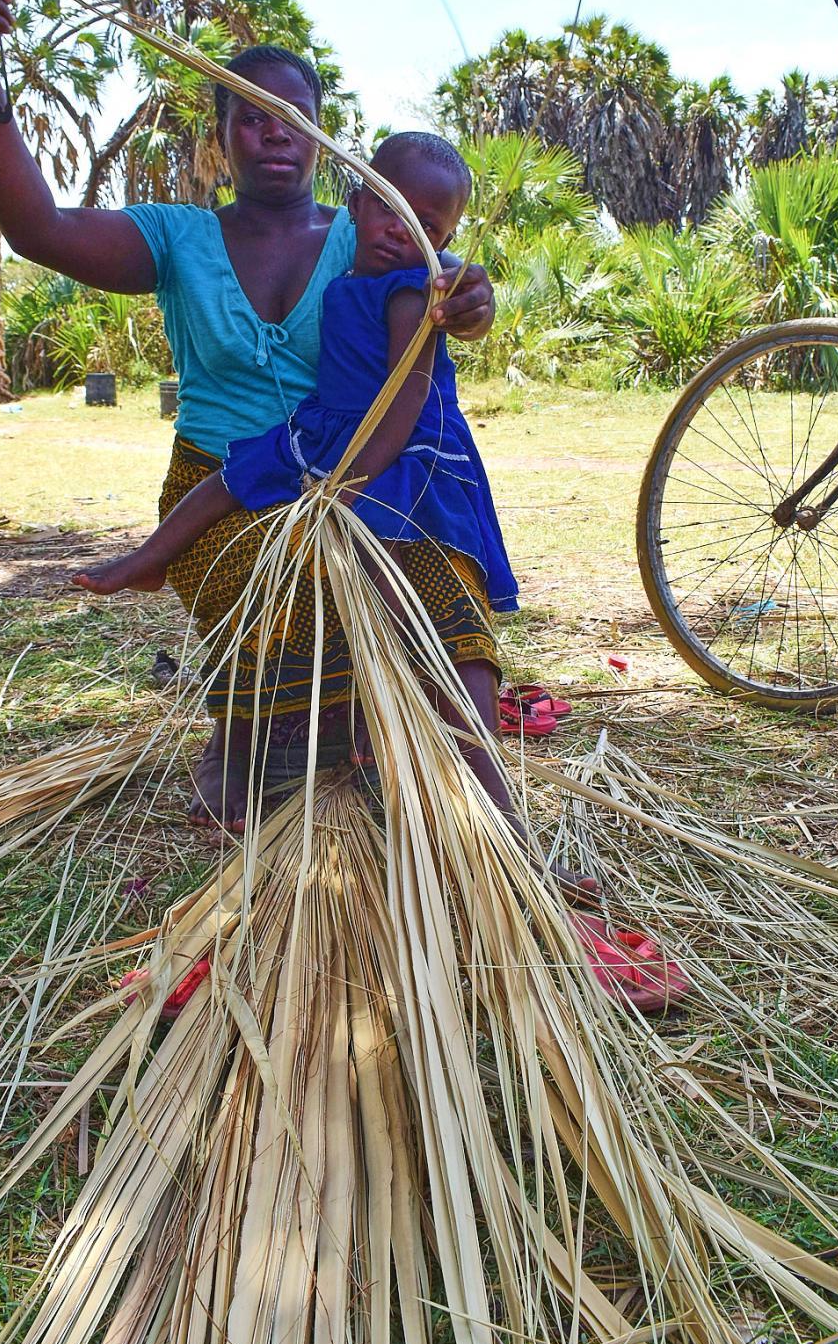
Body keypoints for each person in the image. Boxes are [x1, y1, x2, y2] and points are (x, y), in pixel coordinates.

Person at [0, 0, 497, 832]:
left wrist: (471, 302)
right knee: (282, 570)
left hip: (353, 480)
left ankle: (449, 793)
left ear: (325, 138)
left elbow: (443, 287)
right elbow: (37, 228)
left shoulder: (368, 238)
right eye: (252, 117)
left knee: (434, 583)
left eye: (295, 117)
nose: (275, 134)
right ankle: (243, 738)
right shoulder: (177, 239)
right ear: (222, 136)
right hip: (218, 482)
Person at [74, 129, 525, 832]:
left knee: (398, 596)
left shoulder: (413, 294)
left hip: (399, 455)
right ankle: (151, 557)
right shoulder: (349, 275)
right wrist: (328, 464)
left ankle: (493, 816)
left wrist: (347, 485)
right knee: (232, 476)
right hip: (326, 433)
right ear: (356, 204)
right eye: (390, 209)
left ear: (443, 241)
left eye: (427, 227)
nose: (401, 231)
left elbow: (404, 402)